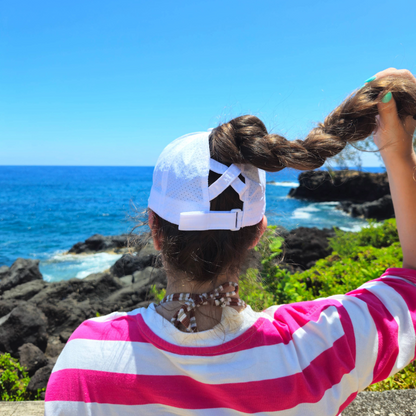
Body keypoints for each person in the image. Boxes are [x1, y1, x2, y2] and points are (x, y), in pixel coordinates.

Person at [45, 68, 416, 415]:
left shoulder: (86, 364)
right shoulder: (316, 348)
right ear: (258, 232)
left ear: (154, 231)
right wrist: (398, 155)